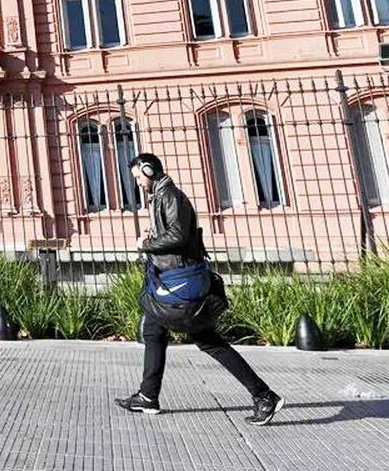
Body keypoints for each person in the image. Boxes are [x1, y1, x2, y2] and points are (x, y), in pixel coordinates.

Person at [115, 152, 283, 426]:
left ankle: (264, 396)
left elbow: (179, 236)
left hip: (180, 282)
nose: (137, 183)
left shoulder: (170, 196)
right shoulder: (160, 196)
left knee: (207, 341)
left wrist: (145, 244)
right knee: (154, 329)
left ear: (148, 170)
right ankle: (148, 396)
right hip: (171, 279)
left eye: (137, 176)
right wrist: (153, 238)